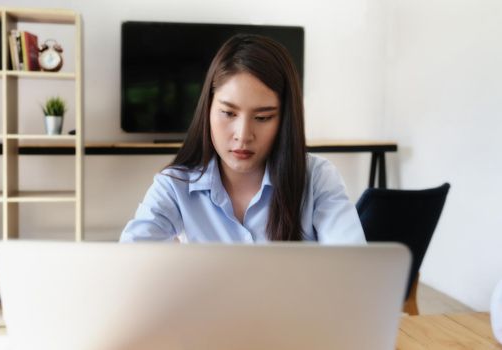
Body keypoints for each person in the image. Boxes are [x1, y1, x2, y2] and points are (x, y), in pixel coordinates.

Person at [120, 34, 365, 244]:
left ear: (285, 120)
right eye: (228, 113)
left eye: (262, 117)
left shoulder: (317, 179)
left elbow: (354, 269)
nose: (243, 135)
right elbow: (127, 265)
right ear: (207, 109)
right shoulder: (175, 186)